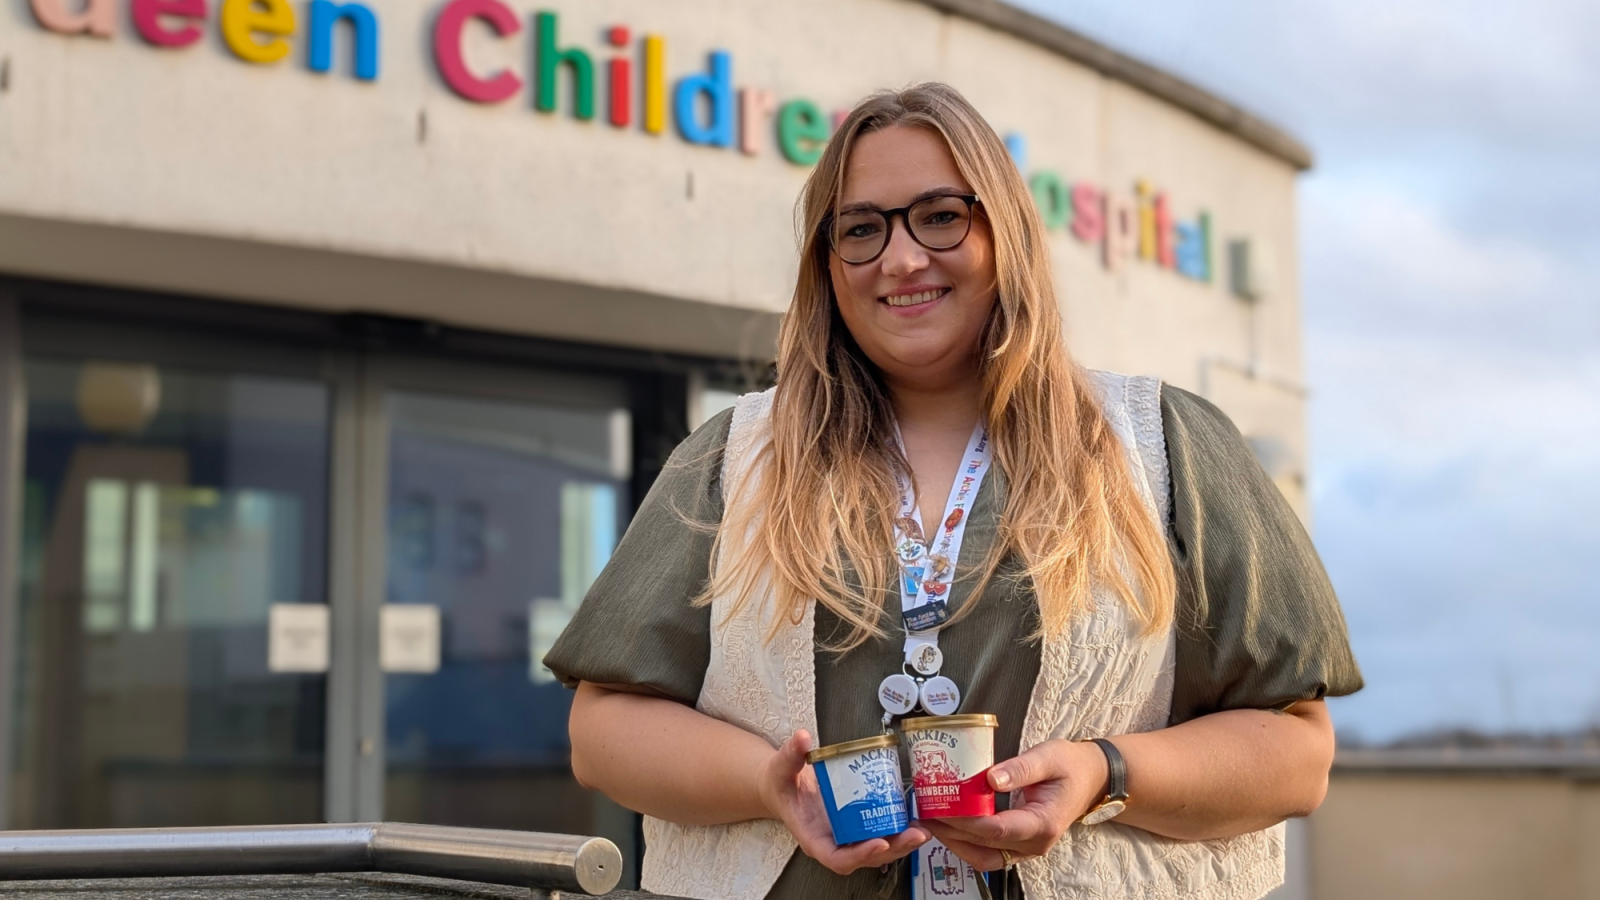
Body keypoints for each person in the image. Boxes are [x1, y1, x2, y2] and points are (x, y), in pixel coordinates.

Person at [544, 83, 1361, 900]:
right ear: (827, 265)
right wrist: (769, 782)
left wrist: (1105, 771)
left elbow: (1295, 752)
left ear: (1004, 232)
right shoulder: (735, 457)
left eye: (939, 216)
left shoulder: (1162, 444)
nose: (901, 258)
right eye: (861, 229)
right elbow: (604, 729)